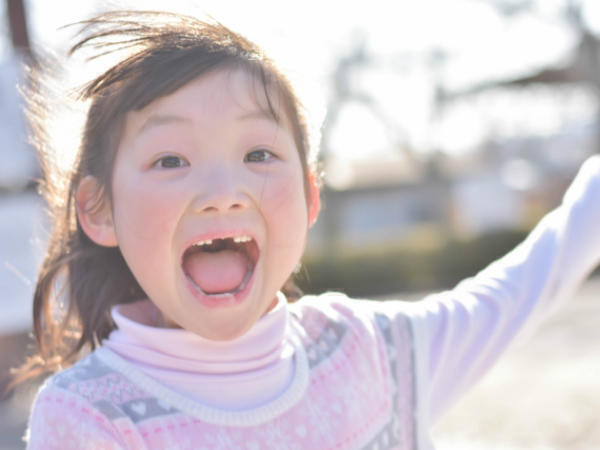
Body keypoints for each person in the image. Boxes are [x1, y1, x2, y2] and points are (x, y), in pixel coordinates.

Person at [18, 10, 600, 450]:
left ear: (309, 193)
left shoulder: (368, 355)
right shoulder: (89, 417)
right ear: (99, 210)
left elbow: (519, 290)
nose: (223, 194)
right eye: (170, 160)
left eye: (259, 154)